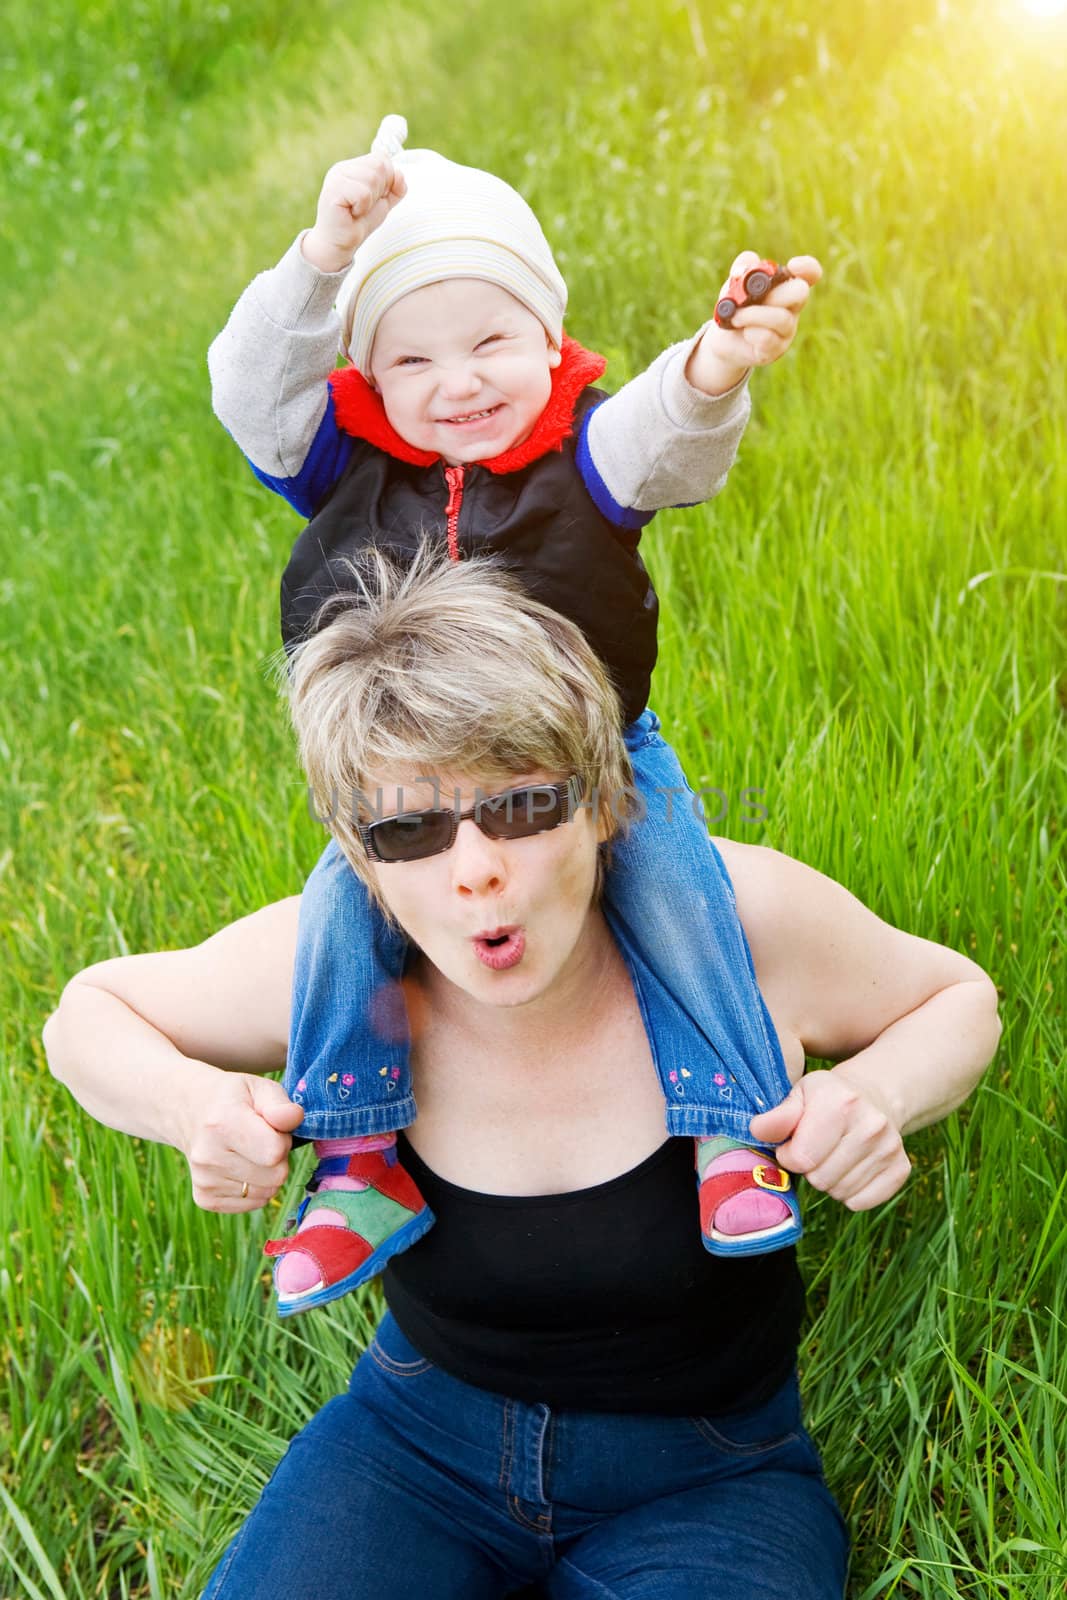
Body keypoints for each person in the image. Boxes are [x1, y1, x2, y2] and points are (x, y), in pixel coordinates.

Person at [44, 552, 1001, 1600]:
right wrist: (193, 1106)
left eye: (520, 807)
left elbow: (957, 1000)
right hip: (412, 1445)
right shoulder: (333, 970)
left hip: (706, 1476)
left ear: (600, 801)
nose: (471, 873)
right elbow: (85, 1017)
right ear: (358, 854)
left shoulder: (739, 930)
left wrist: (877, 1096)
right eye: (408, 827)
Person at [208, 113, 825, 1313]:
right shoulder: (340, 466)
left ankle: (728, 1126)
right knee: (341, 909)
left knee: (675, 880)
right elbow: (245, 387)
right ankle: (356, 1158)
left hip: (583, 760)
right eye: (413, 362)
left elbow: (668, 438)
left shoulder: (584, 457)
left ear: (550, 341)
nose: (458, 383)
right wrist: (321, 257)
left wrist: (713, 363)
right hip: (408, 784)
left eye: (491, 341)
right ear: (367, 379)